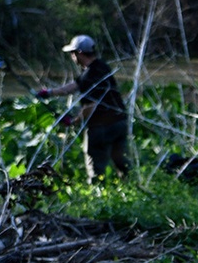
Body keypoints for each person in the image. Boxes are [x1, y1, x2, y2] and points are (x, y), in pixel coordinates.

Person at [37, 34, 130, 182]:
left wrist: (74, 121)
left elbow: (90, 106)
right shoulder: (101, 67)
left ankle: (97, 191)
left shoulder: (89, 76)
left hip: (101, 127)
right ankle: (128, 185)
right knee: (121, 160)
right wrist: (50, 92)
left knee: (95, 166)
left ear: (79, 53)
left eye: (73, 53)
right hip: (119, 122)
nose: (72, 57)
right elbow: (75, 86)